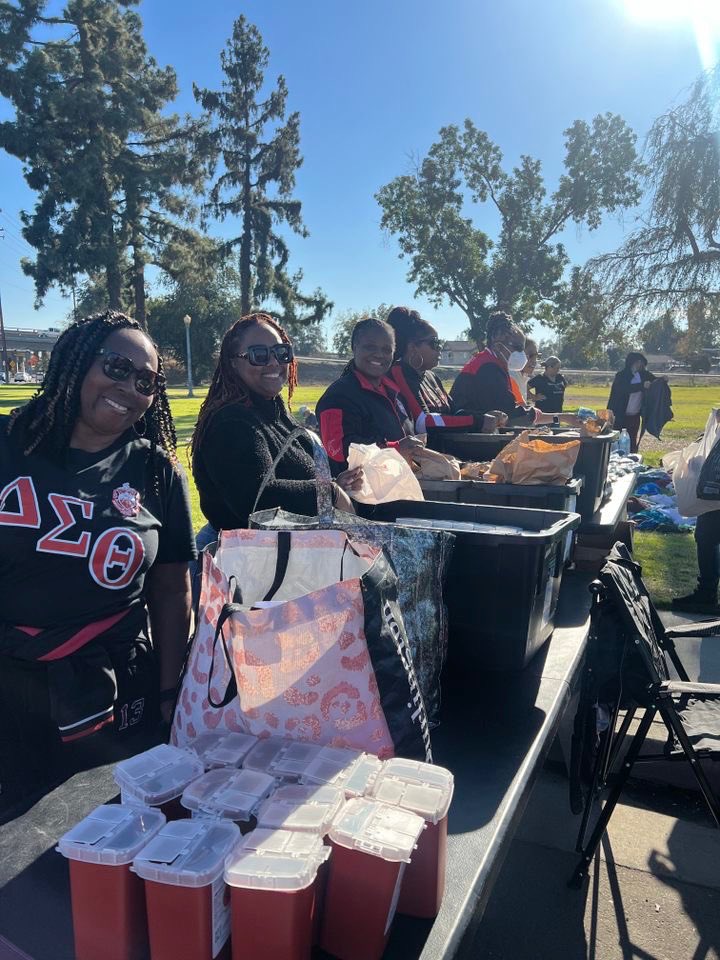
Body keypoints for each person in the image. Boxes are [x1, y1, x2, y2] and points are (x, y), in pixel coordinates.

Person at [0, 310, 196, 806]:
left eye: (146, 380)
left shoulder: (156, 472)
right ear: (76, 362)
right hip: (9, 684)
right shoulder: (7, 443)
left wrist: (170, 693)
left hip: (114, 688)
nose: (130, 386)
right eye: (116, 367)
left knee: (109, 840)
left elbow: (172, 591)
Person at [191, 313, 360, 536]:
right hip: (244, 563)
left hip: (285, 557)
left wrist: (336, 482)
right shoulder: (230, 421)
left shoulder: (275, 412)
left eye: (282, 353)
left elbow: (292, 480)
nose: (273, 362)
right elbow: (256, 499)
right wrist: (331, 492)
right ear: (233, 363)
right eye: (258, 355)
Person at [316, 317, 425, 475]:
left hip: (403, 485)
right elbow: (338, 452)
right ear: (354, 347)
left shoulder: (395, 393)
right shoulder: (338, 396)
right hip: (363, 495)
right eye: (370, 347)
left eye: (387, 350)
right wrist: (394, 449)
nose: (379, 355)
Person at [450, 311, 578, 427]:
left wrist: (562, 418)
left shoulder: (488, 362)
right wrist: (561, 418)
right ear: (498, 345)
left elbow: (516, 411)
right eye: (517, 348)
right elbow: (514, 415)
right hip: (469, 439)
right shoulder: (489, 368)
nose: (522, 354)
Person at [384, 306, 499, 432]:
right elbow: (423, 423)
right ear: (413, 347)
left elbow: (455, 412)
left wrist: (484, 416)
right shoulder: (399, 372)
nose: (440, 348)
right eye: (435, 342)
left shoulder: (431, 376)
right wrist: (477, 421)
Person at [607, 352, 656, 453]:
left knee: (632, 441)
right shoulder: (621, 376)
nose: (641, 366)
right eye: (639, 363)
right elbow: (624, 389)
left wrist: (663, 380)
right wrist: (641, 386)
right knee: (616, 441)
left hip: (634, 416)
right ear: (634, 362)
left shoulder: (644, 375)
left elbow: (655, 381)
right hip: (619, 415)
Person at [509, 337, 539, 403]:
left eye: (536, 356)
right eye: (531, 355)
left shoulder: (523, 376)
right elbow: (520, 408)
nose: (534, 361)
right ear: (518, 355)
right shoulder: (511, 376)